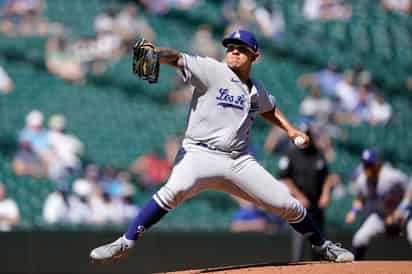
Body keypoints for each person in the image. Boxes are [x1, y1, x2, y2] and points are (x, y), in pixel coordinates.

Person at [89, 29, 354, 263]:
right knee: (174, 190)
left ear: (255, 56)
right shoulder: (212, 70)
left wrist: (291, 129)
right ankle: (126, 241)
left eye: (241, 50)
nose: (234, 53)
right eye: (231, 49)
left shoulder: (255, 89)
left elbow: (269, 108)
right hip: (199, 154)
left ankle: (323, 246)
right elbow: (178, 58)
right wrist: (157, 53)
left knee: (289, 204)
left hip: (238, 160)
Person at [277, 123, 335, 261]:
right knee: (299, 248)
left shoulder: (318, 153)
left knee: (320, 246)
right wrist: (299, 196)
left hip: (316, 206)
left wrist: (326, 194)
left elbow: (327, 176)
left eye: (306, 135)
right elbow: (284, 178)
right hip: (298, 207)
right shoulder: (290, 154)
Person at [345, 148, 410, 260]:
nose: (366, 168)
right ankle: (355, 270)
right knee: (359, 238)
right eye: (365, 164)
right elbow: (360, 199)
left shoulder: (391, 176)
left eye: (369, 164)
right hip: (381, 217)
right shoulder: (362, 180)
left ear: (378, 164)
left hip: (404, 215)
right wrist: (353, 212)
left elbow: (410, 189)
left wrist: (401, 209)